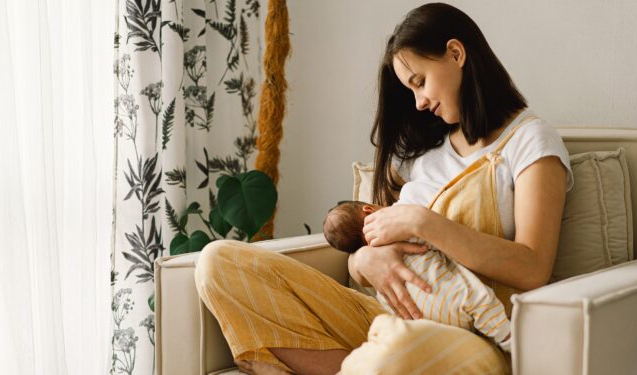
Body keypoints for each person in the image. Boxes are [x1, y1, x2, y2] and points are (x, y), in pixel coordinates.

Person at [194, 3, 573, 374]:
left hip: (467, 334)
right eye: (411, 90)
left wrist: (423, 222)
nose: (419, 101)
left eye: (420, 82)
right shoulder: (422, 154)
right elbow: (368, 236)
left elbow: (533, 267)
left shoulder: (530, 141)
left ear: (456, 53)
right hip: (383, 317)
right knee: (217, 262)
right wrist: (362, 262)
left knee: (395, 353)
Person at [323, 200, 513, 352]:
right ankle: (507, 337)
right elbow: (433, 238)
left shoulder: (376, 271)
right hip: (450, 298)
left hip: (421, 320)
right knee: (477, 300)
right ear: (369, 210)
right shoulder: (396, 228)